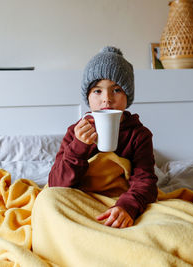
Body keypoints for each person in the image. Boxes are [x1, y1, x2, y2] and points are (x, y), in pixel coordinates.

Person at [48, 46, 158, 229]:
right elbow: (56, 183)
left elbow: (145, 181)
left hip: (120, 200)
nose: (107, 99)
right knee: (47, 200)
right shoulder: (75, 132)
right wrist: (79, 146)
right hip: (81, 199)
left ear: (127, 96)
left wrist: (128, 206)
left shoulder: (139, 135)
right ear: (88, 97)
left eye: (116, 90)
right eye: (97, 91)